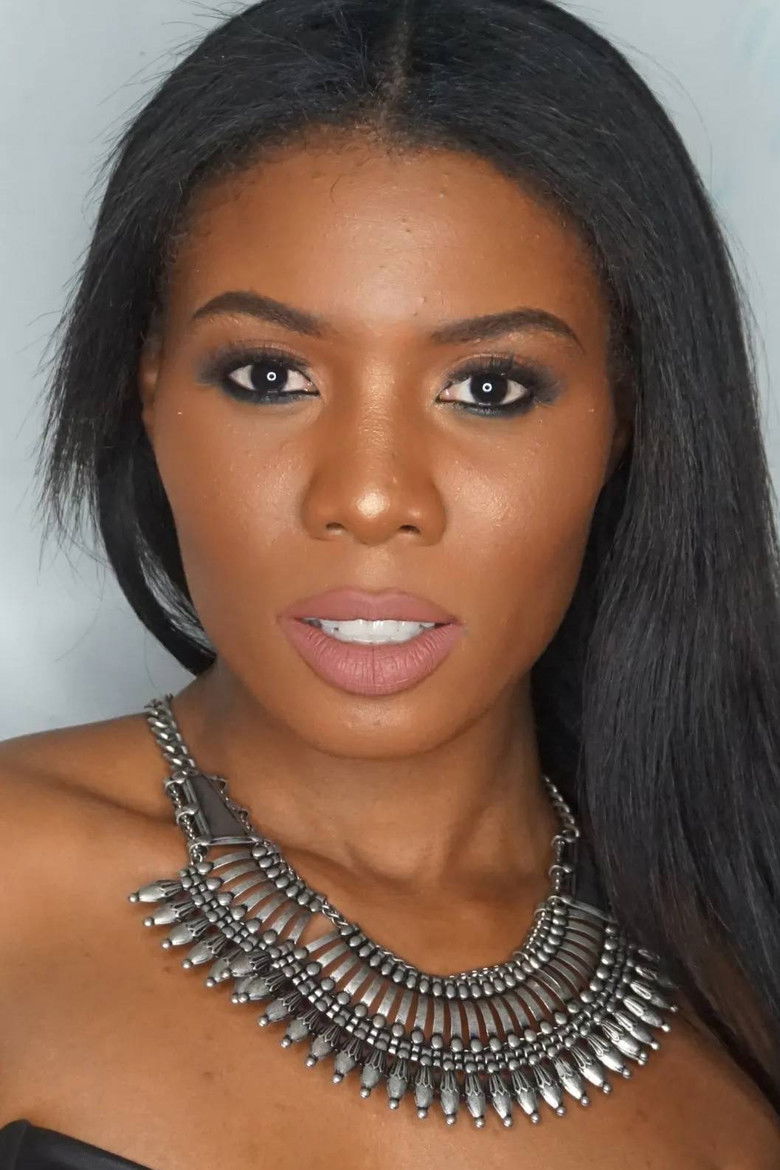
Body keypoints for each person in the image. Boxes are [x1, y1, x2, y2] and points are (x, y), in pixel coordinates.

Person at [1, 0, 778, 1166]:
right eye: (269, 376)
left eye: (490, 389)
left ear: (630, 419)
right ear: (147, 386)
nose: (369, 498)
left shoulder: (742, 951)